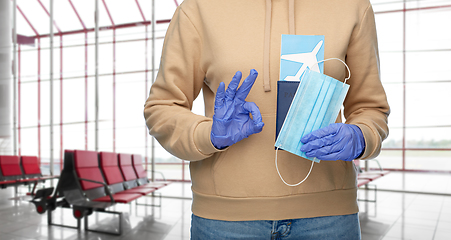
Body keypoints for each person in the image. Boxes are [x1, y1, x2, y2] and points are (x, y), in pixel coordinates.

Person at [144, 0, 390, 239]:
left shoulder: (352, 5)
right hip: (225, 219)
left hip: (329, 216)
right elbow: (162, 107)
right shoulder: (198, 8)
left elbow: (370, 107)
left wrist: (360, 136)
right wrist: (208, 134)